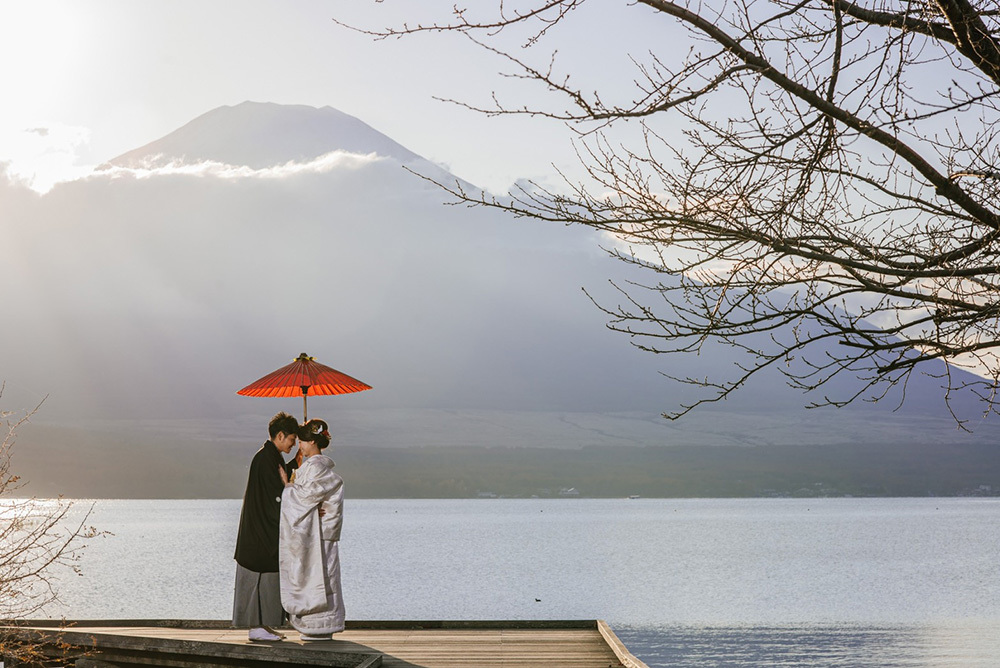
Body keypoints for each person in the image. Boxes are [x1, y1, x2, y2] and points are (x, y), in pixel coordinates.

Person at [233, 411, 299, 642]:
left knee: (267, 578)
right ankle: (256, 627)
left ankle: (264, 626)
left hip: (262, 530)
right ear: (280, 435)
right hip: (261, 532)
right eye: (292, 439)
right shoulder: (265, 459)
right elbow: (278, 492)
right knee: (259, 578)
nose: (293, 444)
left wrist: (296, 462)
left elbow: (279, 481)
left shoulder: (270, 457)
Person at [278, 418, 346, 641]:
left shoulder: (316, 467)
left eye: (302, 442)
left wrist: (287, 487)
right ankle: (322, 625)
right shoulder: (313, 466)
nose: (300, 446)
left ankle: (317, 626)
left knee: (318, 577)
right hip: (321, 533)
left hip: (319, 534)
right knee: (325, 577)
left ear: (312, 442)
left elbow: (306, 497)